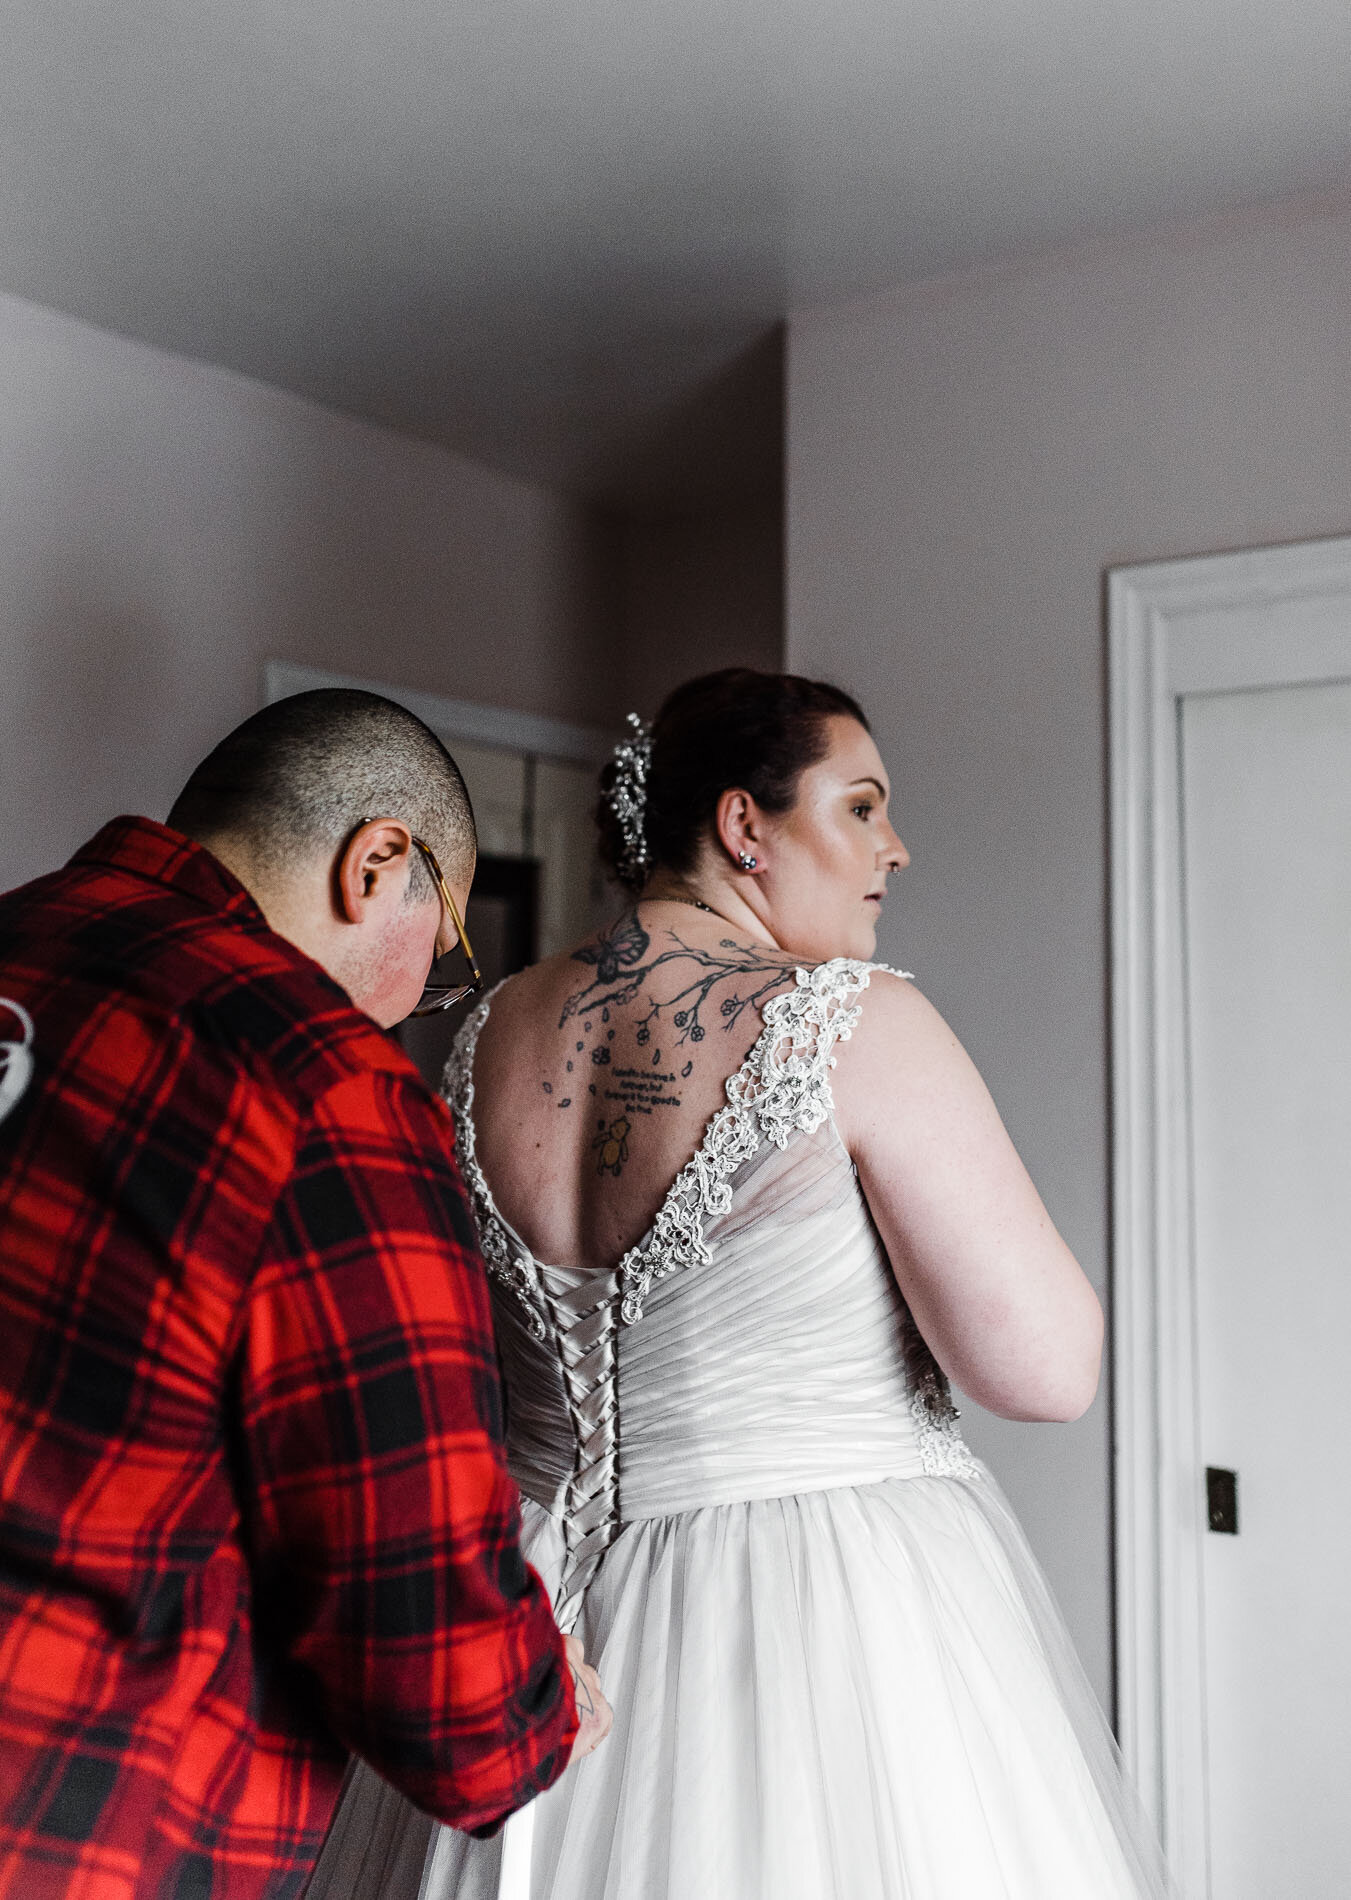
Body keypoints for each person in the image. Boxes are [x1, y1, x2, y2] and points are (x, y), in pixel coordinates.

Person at [322, 667, 1175, 1899]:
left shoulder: (489, 1029)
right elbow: (1046, 1372)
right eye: (863, 806)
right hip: (812, 1619)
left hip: (541, 1616)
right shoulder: (853, 1022)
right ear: (742, 827)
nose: (896, 847)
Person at [0, 688, 610, 1900]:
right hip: (72, 1819)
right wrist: (536, 1696)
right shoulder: (320, 1089)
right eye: (436, 957)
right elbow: (444, 1681)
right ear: (378, 859)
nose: (410, 1005)